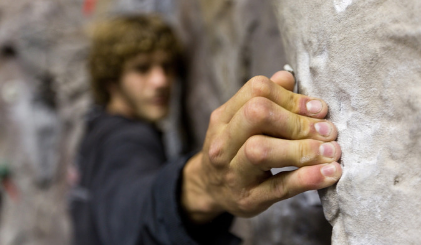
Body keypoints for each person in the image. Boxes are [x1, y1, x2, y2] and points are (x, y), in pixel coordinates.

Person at [70, 15, 342, 245]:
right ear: (111, 80)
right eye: (142, 69)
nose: (161, 81)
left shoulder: (95, 132)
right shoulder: (126, 139)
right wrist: (202, 186)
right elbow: (127, 214)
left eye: (166, 66)